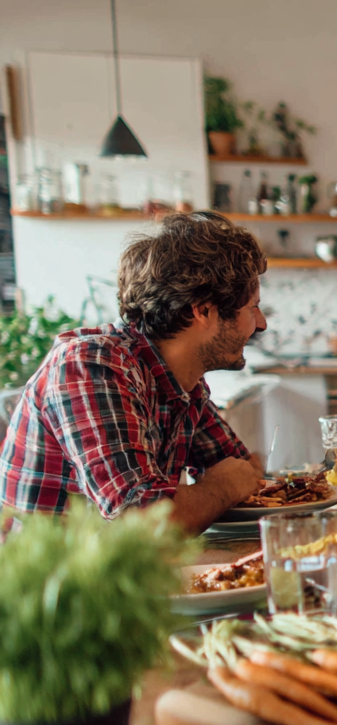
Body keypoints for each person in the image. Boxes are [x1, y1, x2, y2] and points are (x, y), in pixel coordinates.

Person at [0, 212, 267, 535]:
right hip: (58, 582)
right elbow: (143, 519)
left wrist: (230, 482)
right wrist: (222, 488)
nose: (261, 323)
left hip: (129, 576)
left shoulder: (182, 382)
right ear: (204, 311)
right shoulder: (90, 365)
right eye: (252, 308)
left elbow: (246, 473)